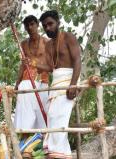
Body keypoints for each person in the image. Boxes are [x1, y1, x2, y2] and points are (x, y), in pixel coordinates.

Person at [39, 10, 81, 158]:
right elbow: (51, 68)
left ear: (58, 22)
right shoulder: (49, 45)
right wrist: (32, 64)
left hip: (69, 80)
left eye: (50, 24)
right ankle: (62, 153)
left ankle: (57, 152)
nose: (48, 28)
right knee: (52, 115)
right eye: (45, 26)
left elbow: (77, 60)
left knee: (60, 116)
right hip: (56, 82)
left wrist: (73, 84)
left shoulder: (68, 37)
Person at [14, 15, 49, 132]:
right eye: (27, 25)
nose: (30, 27)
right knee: (25, 115)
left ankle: (43, 143)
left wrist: (35, 63)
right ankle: (25, 142)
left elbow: (52, 65)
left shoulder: (47, 42)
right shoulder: (23, 44)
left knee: (42, 114)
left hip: (42, 81)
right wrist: (17, 84)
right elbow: (22, 65)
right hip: (26, 82)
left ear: (37, 25)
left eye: (32, 24)